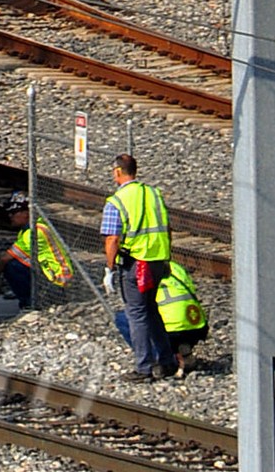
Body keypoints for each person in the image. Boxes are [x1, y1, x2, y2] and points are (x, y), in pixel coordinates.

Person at [102, 153, 178, 380]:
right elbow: (167, 227)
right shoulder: (153, 194)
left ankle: (144, 367)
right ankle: (167, 361)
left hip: (135, 264)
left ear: (117, 172)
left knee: (136, 313)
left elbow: (112, 239)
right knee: (152, 311)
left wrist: (109, 269)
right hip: (157, 262)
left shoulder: (116, 201)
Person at [0, 191, 71, 305]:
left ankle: (28, 303)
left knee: (11, 266)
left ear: (26, 213)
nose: (10, 216)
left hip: (58, 280)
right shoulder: (35, 227)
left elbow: (4, 260)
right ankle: (34, 296)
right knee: (19, 261)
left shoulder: (33, 233)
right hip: (55, 275)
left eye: (14, 212)